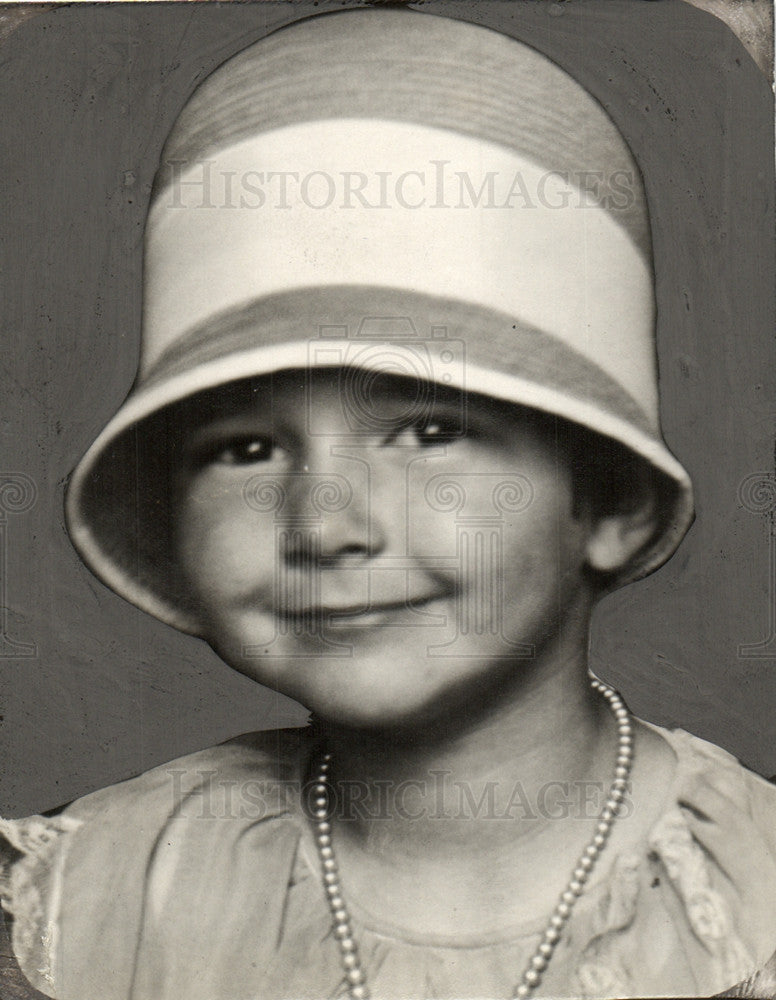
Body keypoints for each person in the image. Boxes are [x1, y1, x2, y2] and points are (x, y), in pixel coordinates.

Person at [1, 8, 775, 1000]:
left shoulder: (744, 904)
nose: (324, 525)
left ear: (608, 497)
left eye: (429, 431)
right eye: (245, 448)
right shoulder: (105, 897)